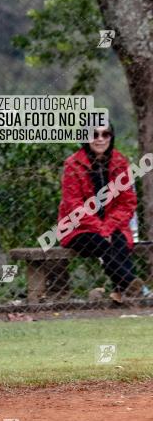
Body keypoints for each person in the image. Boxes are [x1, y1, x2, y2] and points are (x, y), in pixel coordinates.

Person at [58, 123, 144, 303]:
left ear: (111, 137)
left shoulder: (120, 162)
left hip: (112, 225)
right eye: (94, 134)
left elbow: (127, 202)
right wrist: (100, 228)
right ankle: (130, 284)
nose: (100, 138)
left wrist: (108, 227)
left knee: (119, 241)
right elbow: (73, 205)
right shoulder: (72, 164)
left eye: (105, 134)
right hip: (78, 228)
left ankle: (120, 293)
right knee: (102, 245)